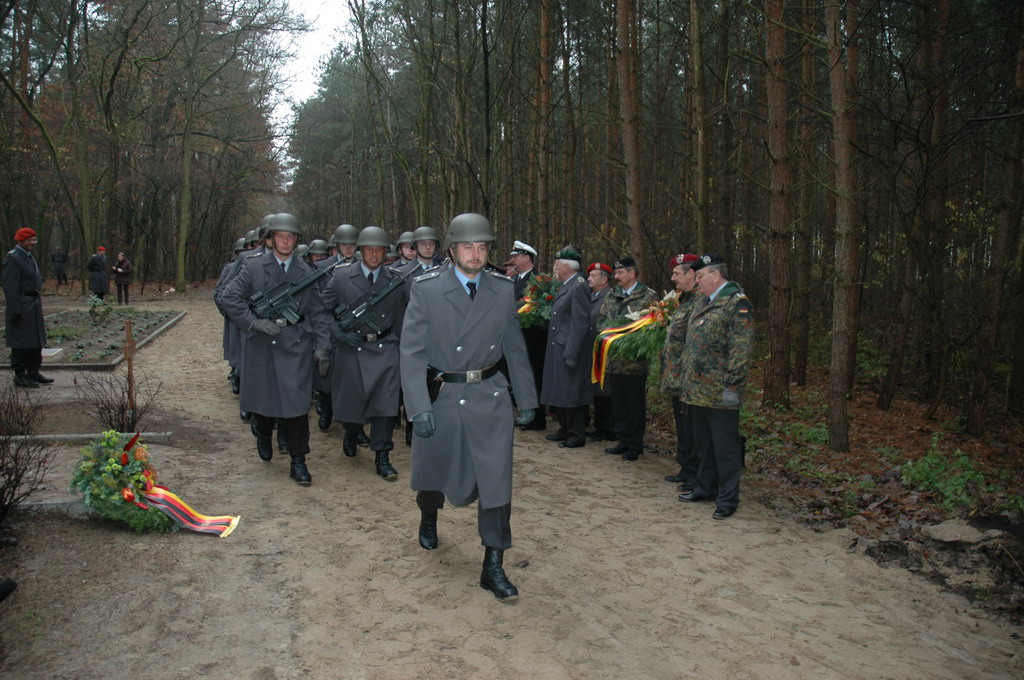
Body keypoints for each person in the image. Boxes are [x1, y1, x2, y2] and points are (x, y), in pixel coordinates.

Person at [400, 212, 537, 602]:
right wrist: (418, 406)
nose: (475, 255)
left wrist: (527, 397)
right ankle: (429, 514)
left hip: (489, 398)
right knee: (432, 473)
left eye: (482, 247)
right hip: (443, 396)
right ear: (452, 250)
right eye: (467, 247)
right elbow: (411, 352)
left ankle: (493, 564)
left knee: (497, 484)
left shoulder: (502, 288)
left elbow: (514, 346)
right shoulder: (427, 289)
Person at [221, 213, 332, 486]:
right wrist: (253, 322)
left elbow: (318, 312)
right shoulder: (253, 267)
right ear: (271, 239)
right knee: (264, 401)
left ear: (296, 240)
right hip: (262, 343)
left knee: (297, 405)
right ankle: (263, 432)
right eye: (280, 236)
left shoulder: (307, 272)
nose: (285, 241)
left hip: (295, 343)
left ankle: (298, 459)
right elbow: (229, 297)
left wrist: (323, 345)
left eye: (290, 236)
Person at [322, 226, 406, 481]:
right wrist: (339, 335)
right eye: (369, 249)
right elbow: (323, 311)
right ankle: (352, 430)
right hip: (352, 349)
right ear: (360, 251)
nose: (374, 255)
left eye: (379, 250)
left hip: (385, 348)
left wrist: (403, 347)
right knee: (352, 402)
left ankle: (382, 455)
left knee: (385, 404)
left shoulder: (395, 280)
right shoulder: (341, 277)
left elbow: (404, 314)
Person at [677, 254, 755, 519]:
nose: (697, 280)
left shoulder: (736, 303)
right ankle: (705, 487)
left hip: (721, 390)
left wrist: (732, 386)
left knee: (725, 447)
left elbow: (741, 349)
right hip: (697, 389)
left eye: (700, 276)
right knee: (703, 444)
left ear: (716, 275)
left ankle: (728, 498)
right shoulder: (703, 301)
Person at [599, 257, 657, 461]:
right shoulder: (612, 295)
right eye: (616, 273)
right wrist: (607, 335)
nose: (616, 277)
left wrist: (628, 340)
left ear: (632, 273)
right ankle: (623, 440)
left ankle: (635, 444)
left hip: (634, 362)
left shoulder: (648, 296)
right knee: (619, 403)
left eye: (620, 273)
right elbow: (602, 319)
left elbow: (652, 326)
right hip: (614, 359)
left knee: (634, 404)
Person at [540, 247, 592, 448]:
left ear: (568, 267)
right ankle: (564, 428)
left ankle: (576, 434)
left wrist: (572, 352)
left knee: (571, 392)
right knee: (559, 390)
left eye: (557, 265)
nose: (554, 268)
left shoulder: (578, 287)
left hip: (568, 348)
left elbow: (580, 323)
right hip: (558, 346)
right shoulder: (567, 285)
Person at [660, 254, 701, 489]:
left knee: (693, 426)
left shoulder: (700, 300)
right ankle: (686, 467)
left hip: (689, 376)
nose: (673, 277)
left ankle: (696, 472)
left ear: (691, 274)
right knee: (683, 425)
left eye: (677, 273)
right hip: (676, 375)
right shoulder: (683, 300)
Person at [3, 228, 51, 388]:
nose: (33, 243)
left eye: (34, 240)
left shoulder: (29, 256)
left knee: (35, 341)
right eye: (29, 240)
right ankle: (20, 375)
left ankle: (33, 372)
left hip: (33, 304)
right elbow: (10, 287)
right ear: (20, 241)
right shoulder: (13, 258)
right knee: (21, 342)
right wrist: (15, 310)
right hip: (22, 305)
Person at [509, 240, 548, 430]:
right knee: (522, 377)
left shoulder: (537, 281)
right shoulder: (515, 279)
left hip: (532, 338)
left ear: (526, 258)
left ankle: (538, 418)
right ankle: (527, 413)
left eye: (516, 256)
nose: (513, 260)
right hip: (517, 336)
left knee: (534, 376)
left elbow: (536, 310)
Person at [585, 262, 615, 441]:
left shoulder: (610, 297)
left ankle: (607, 428)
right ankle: (599, 426)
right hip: (591, 348)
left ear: (604, 280)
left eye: (593, 276)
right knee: (596, 388)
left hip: (604, 350)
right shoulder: (591, 296)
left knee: (604, 388)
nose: (589, 278)